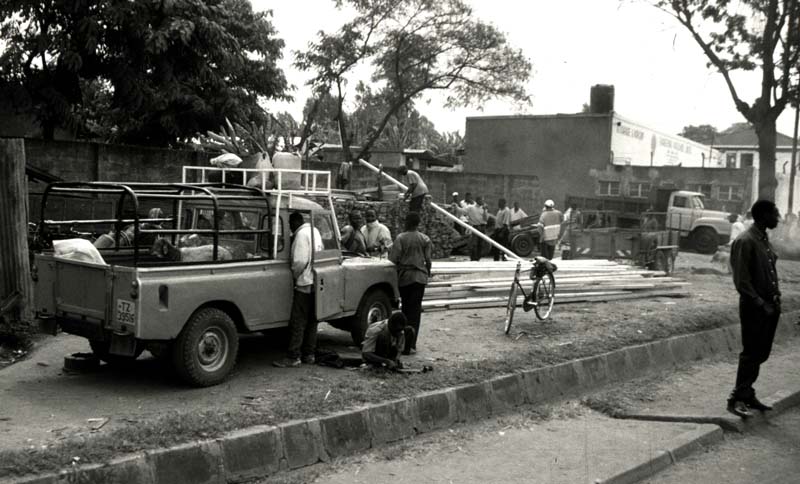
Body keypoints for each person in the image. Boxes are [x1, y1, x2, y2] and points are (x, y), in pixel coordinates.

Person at [727, 199, 781, 418]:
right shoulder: (745, 240)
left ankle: (747, 393)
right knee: (751, 352)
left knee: (761, 352)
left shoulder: (762, 238)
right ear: (763, 216)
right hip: (755, 307)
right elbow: (742, 281)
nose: (777, 218)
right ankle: (736, 398)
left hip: (769, 306)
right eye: (774, 214)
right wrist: (761, 304)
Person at [273, 211, 324, 368]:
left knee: (298, 321)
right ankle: (309, 354)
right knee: (312, 321)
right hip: (317, 281)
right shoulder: (314, 231)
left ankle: (294, 356)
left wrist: (294, 275)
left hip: (304, 283)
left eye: (289, 224)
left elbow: (299, 261)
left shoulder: (301, 235)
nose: (290, 228)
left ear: (294, 222)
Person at [388, 212, 432, 354]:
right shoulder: (425, 239)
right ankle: (412, 344)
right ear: (418, 223)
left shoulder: (400, 238)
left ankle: (403, 343)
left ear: (406, 222)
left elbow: (393, 259)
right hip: (419, 277)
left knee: (405, 309)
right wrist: (427, 273)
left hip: (405, 278)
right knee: (415, 311)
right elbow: (428, 260)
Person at [462, 195, 488, 261]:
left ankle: (478, 258)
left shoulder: (483, 208)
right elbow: (463, 211)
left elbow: (485, 219)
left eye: (483, 200)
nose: (483, 201)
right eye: (481, 200)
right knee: (474, 243)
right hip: (476, 227)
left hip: (483, 227)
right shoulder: (471, 208)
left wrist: (485, 210)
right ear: (477, 201)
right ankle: (473, 258)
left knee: (481, 244)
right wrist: (456, 207)